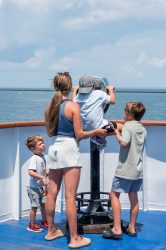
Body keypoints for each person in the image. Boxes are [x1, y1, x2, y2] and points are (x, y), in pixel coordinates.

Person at [44, 72, 107, 248]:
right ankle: (74, 238)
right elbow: (79, 134)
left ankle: (51, 231)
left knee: (53, 192)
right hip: (69, 149)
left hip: (53, 148)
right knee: (70, 196)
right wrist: (97, 132)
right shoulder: (73, 106)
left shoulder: (49, 106)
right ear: (70, 86)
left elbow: (49, 132)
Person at [103, 101, 147, 240]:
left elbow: (123, 143)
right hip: (137, 171)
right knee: (133, 197)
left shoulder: (128, 126)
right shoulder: (143, 129)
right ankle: (132, 228)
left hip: (125, 170)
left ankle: (117, 229)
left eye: (125, 112)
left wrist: (117, 132)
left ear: (129, 115)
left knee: (114, 195)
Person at [72, 74, 123, 149]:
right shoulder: (99, 94)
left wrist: (74, 91)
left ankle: (95, 137)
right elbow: (112, 101)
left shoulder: (78, 97)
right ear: (93, 86)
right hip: (101, 128)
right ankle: (97, 136)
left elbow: (73, 102)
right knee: (123, 128)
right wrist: (111, 91)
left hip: (85, 130)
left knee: (104, 121)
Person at [26, 135, 49, 232]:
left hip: (40, 188)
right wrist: (43, 177)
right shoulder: (34, 158)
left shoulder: (42, 157)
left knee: (43, 205)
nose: (43, 145)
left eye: (43, 143)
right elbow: (31, 172)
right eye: (40, 144)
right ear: (33, 149)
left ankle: (44, 221)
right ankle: (31, 225)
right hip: (33, 188)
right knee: (34, 207)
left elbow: (43, 171)